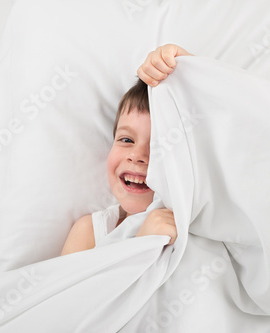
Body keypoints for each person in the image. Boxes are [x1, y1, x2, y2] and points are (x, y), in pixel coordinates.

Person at [61, 44, 192, 255]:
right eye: (126, 139)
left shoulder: (197, 223)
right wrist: (139, 247)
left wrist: (188, 69)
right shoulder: (90, 233)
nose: (137, 156)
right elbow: (69, 288)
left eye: (157, 145)